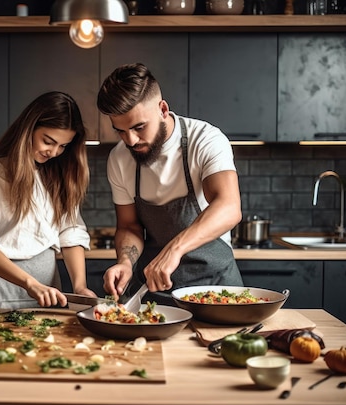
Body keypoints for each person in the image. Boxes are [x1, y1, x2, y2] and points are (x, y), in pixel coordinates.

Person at [97, 63, 243, 305]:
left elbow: (228, 206)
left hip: (216, 290)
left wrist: (175, 249)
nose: (131, 140)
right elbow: (129, 226)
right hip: (154, 294)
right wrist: (125, 262)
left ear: (162, 109)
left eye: (139, 127)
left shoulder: (205, 139)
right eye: (120, 131)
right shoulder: (119, 158)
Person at [0, 91, 96, 309]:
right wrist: (29, 283)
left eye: (63, 146)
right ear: (28, 129)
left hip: (48, 286)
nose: (53, 152)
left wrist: (80, 286)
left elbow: (70, 232)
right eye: (48, 141)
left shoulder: (59, 176)